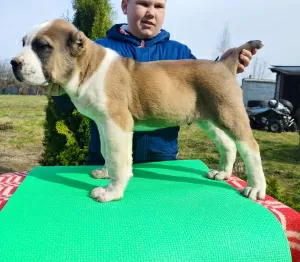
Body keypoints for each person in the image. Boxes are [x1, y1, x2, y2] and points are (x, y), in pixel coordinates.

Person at [45, 0, 256, 166]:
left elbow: (202, 80)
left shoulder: (179, 52)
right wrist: (54, 84)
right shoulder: (99, 50)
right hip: (105, 164)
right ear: (125, 5)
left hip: (161, 162)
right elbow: (68, 97)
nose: (151, 12)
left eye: (158, 6)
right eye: (144, 4)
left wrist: (223, 66)